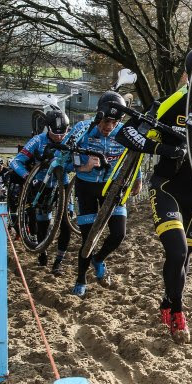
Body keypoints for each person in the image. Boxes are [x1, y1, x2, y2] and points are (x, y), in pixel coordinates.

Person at [113, 49, 192, 343]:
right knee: (176, 252)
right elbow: (125, 135)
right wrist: (165, 148)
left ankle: (167, 300)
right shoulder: (170, 104)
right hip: (166, 187)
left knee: (184, 260)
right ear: (188, 80)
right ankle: (177, 312)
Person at [67, 91, 146, 297]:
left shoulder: (125, 132)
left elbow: (134, 154)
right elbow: (60, 157)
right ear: (98, 115)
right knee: (88, 238)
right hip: (86, 187)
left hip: (113, 187)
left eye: (114, 122)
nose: (108, 127)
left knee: (119, 234)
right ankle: (81, 278)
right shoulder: (82, 129)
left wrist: (137, 178)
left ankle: (99, 259)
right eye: (105, 121)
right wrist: (82, 167)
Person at [10, 109, 72, 275]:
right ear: (48, 129)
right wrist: (29, 178)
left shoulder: (71, 139)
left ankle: (58, 262)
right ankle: (42, 251)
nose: (59, 137)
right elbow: (15, 163)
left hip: (62, 182)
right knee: (42, 223)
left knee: (66, 224)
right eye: (55, 134)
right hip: (40, 183)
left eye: (63, 133)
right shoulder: (38, 140)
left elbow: (77, 164)